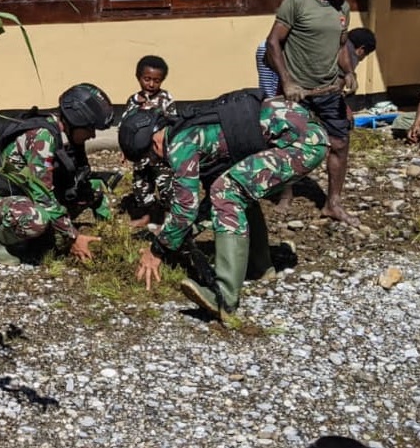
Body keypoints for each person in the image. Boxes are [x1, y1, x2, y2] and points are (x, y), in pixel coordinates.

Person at [120, 98, 328, 319]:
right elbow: (204, 206)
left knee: (227, 190)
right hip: (305, 136)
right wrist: (182, 236)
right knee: (238, 187)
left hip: (301, 144)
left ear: (154, 144)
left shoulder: (181, 144)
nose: (157, 162)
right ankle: (260, 267)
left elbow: (185, 210)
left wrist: (157, 250)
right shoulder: (189, 125)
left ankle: (225, 298)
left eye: (151, 158)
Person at [265, 0, 359, 226]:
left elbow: (342, 45)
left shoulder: (342, 7)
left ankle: (333, 203)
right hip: (298, 92)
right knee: (289, 144)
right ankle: (286, 191)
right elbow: (272, 44)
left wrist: (349, 71)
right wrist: (286, 81)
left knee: (340, 143)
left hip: (329, 90)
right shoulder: (296, 3)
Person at [0, 83, 114, 266]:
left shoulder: (64, 133)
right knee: (37, 219)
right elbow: (42, 195)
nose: (92, 135)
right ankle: (3, 240)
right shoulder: (42, 136)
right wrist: (73, 237)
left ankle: (50, 234)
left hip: (28, 192)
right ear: (77, 121)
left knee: (92, 187)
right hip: (1, 197)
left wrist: (108, 229)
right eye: (90, 128)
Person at [256, 27, 377, 211]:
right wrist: (344, 108)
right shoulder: (349, 54)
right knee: (283, 121)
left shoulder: (337, 40)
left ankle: (286, 194)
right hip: (276, 57)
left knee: (284, 123)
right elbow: (335, 88)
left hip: (275, 54)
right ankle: (286, 193)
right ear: (361, 49)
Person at [122, 55, 177, 225]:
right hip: (140, 154)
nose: (151, 84)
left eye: (156, 80)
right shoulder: (133, 101)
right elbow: (126, 127)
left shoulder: (166, 98)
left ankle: (169, 217)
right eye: (147, 79)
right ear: (138, 77)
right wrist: (125, 150)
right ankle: (148, 215)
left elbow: (173, 122)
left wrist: (157, 112)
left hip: (160, 154)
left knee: (166, 186)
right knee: (141, 187)